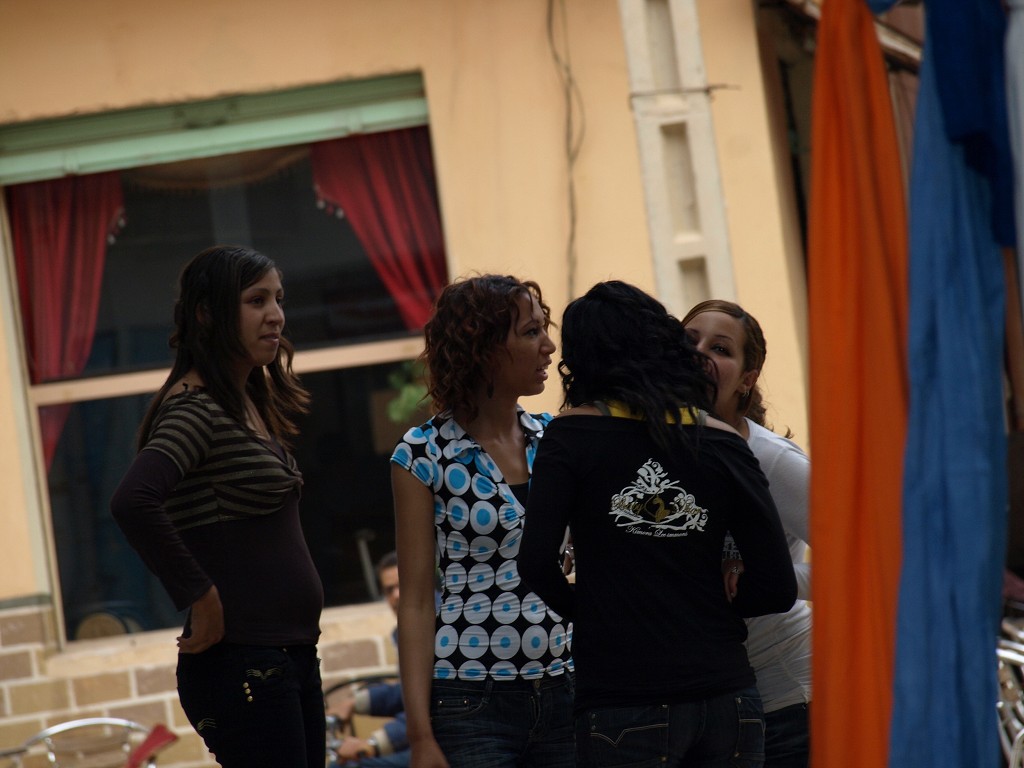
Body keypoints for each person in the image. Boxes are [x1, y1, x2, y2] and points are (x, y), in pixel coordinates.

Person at [518, 280, 796, 768]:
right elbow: (777, 587)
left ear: (582, 360)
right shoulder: (725, 442)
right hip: (726, 695)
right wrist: (716, 605)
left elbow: (536, 564)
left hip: (623, 697)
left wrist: (597, 614)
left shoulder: (571, 435)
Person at [111, 245, 324, 768]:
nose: (275, 314)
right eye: (256, 300)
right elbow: (133, 501)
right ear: (207, 313)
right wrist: (199, 596)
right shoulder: (195, 408)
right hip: (246, 663)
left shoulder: (243, 399)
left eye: (278, 299)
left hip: (286, 656)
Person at [390, 274, 574, 768]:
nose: (548, 346)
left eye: (544, 329)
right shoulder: (422, 453)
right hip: (471, 702)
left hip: (567, 690)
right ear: (485, 348)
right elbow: (415, 603)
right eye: (531, 332)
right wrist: (420, 737)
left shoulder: (555, 439)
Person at [681, 298, 811, 768]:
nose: (699, 353)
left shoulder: (772, 459)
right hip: (706, 708)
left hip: (790, 701)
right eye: (689, 340)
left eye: (720, 348)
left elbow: (865, 561)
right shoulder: (658, 449)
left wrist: (767, 577)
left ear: (746, 378)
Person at [329, 551, 410, 767]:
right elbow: (405, 693)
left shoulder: (437, 626)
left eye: (402, 585)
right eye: (389, 590)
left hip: (442, 746)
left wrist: (372, 744)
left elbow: (430, 705)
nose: (396, 595)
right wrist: (355, 702)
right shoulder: (404, 631)